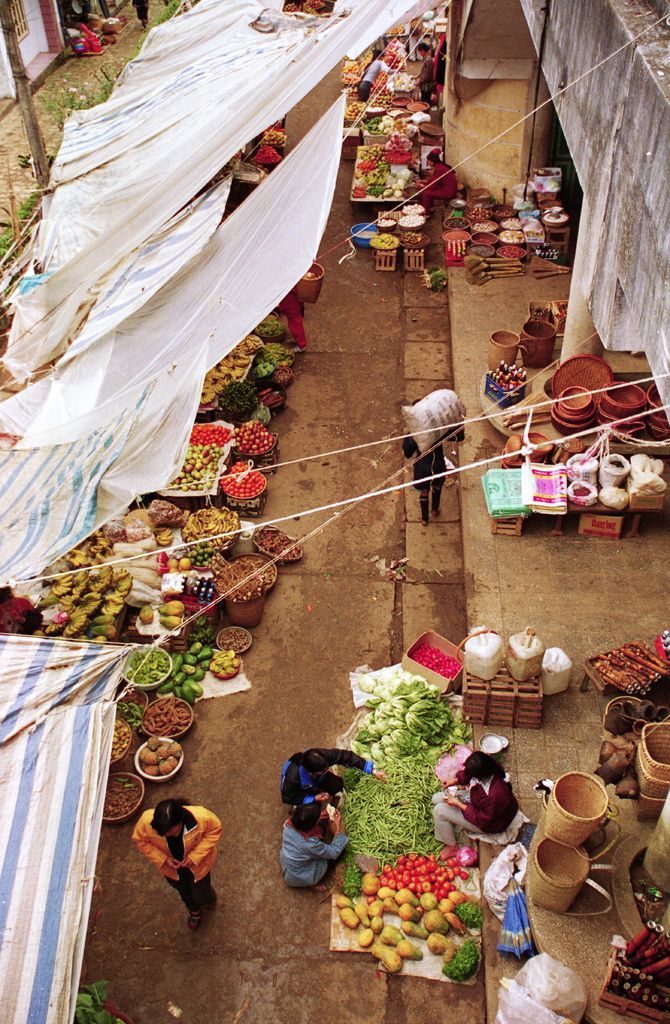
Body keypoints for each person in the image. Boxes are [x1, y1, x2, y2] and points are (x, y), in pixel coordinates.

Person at [132, 798, 222, 930]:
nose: (168, 834)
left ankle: (208, 900)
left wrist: (194, 856)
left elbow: (215, 830)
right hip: (172, 871)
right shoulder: (146, 821)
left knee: (201, 892)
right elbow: (140, 841)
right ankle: (194, 913)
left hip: (198, 867)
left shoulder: (202, 817)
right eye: (164, 833)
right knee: (184, 892)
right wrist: (163, 859)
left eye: (171, 831)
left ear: (180, 821)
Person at [432, 752, 519, 856]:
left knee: (439, 811)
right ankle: (450, 821)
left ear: (480, 775)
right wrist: (456, 780)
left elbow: (483, 819)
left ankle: (452, 847)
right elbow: (467, 774)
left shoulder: (496, 794)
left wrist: (459, 804)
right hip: (476, 799)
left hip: (490, 823)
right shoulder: (486, 766)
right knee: (436, 798)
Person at [402, 391, 465, 526]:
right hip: (438, 465)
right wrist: (460, 424)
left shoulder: (413, 434)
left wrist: (412, 439)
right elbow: (459, 437)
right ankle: (435, 510)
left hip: (422, 468)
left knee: (424, 492)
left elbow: (407, 453)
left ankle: (425, 519)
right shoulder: (438, 430)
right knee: (437, 488)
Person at [281, 747, 387, 806]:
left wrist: (372, 770)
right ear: (310, 772)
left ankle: (319, 787)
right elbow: (288, 798)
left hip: (317, 780)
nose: (327, 770)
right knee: (312, 810)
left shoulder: (323, 757)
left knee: (337, 785)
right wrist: (313, 798)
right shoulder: (292, 779)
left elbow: (346, 757)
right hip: (302, 789)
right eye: (323, 771)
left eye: (327, 768)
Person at [280, 802, 348, 889]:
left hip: (289, 864)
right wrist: (337, 830)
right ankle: (311, 883)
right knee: (341, 851)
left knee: (322, 825)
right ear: (310, 826)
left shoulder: (288, 825)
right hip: (299, 875)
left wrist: (319, 815)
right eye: (317, 819)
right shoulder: (310, 844)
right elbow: (334, 852)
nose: (320, 817)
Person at [419, 150, 458, 214]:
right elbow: (434, 180)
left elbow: (432, 185)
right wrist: (423, 181)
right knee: (428, 189)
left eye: (428, 161)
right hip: (445, 186)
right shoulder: (439, 166)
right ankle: (430, 208)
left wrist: (422, 186)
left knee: (426, 193)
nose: (427, 163)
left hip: (449, 191)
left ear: (432, 161)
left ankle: (426, 213)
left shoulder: (439, 169)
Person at [276, 287, 307, 351]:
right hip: (292, 302)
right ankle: (297, 339)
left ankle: (301, 345)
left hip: (291, 303)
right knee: (292, 324)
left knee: (295, 325)